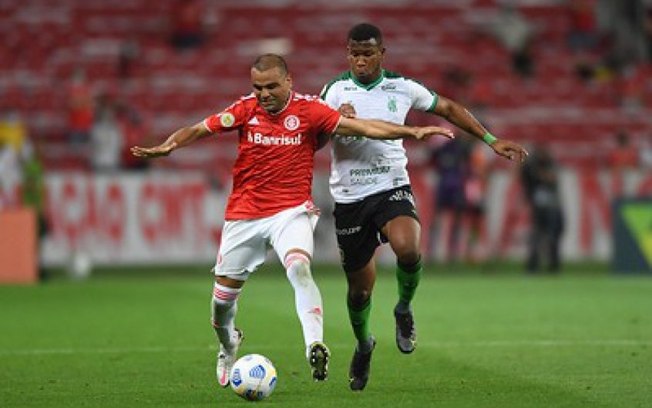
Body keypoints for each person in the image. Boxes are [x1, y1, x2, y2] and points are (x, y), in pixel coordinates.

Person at [131, 54, 454, 388]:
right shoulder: (244, 109)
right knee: (221, 305)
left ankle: (314, 343)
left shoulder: (311, 110)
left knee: (299, 268)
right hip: (245, 214)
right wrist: (169, 145)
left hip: (291, 211)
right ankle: (228, 346)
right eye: (257, 87)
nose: (264, 93)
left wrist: (412, 130)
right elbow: (199, 129)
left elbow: (366, 127)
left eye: (271, 86)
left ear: (289, 81)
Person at [320, 23, 528, 391]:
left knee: (408, 247)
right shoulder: (334, 92)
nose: (360, 59)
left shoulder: (402, 86)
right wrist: (335, 124)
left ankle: (403, 308)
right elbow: (315, 136)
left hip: (391, 186)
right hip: (350, 198)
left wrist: (490, 140)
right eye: (354, 52)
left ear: (382, 53)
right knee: (360, 292)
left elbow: (446, 107)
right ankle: (365, 343)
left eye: (367, 53)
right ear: (346, 53)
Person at [520, 144, 564, 273]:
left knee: (547, 236)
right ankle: (537, 265)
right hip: (545, 206)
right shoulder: (534, 168)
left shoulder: (541, 166)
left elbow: (551, 178)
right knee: (541, 236)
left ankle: (548, 265)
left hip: (549, 206)